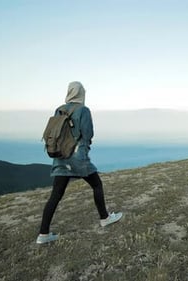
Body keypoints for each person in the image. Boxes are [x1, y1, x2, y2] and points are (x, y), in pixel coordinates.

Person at [37, 81, 123, 244]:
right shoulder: (83, 110)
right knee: (97, 184)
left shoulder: (59, 109)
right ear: (82, 93)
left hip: (60, 156)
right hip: (77, 157)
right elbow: (88, 133)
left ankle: (43, 234)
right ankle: (104, 218)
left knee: (56, 195)